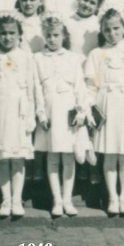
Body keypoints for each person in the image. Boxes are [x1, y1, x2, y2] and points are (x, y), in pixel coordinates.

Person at [0, 13, 41, 217]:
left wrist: (31, 115)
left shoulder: (26, 57)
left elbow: (31, 88)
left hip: (19, 111)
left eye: (12, 33)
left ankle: (17, 199)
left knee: (18, 157)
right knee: (2, 157)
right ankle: (5, 199)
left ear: (19, 34)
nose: (7, 37)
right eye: (3, 33)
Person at [85, 8, 124, 215]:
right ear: (102, 31)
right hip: (105, 105)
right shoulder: (96, 54)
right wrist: (90, 109)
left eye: (116, 28)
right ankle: (112, 196)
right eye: (107, 30)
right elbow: (91, 85)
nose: (112, 33)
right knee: (109, 154)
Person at [34, 14, 89, 217]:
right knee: (52, 157)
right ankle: (56, 200)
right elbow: (37, 89)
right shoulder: (37, 58)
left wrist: (82, 111)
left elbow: (80, 88)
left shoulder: (73, 58)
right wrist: (41, 113)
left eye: (56, 35)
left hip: (68, 112)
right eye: (48, 35)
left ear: (63, 36)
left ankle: (67, 199)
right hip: (49, 112)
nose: (52, 39)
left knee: (68, 156)